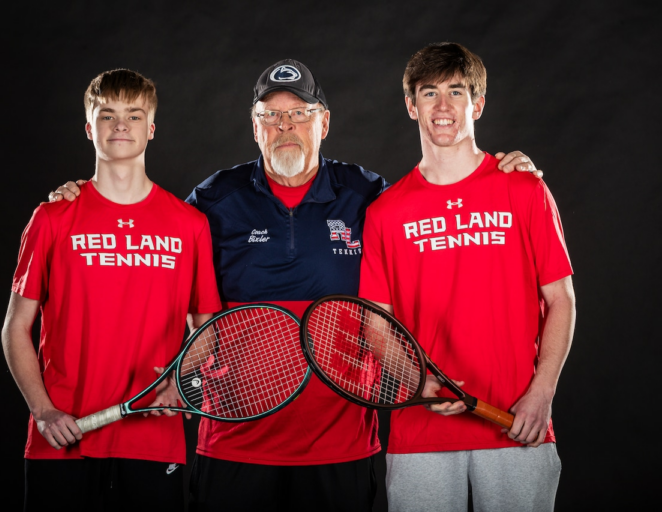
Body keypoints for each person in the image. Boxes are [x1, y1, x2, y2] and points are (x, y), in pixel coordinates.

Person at [49, 59, 541, 512]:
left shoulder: (370, 195)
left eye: (300, 114)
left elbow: (436, 199)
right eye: (271, 116)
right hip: (232, 443)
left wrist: (503, 170)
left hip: (342, 446)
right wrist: (83, 198)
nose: (286, 128)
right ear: (255, 127)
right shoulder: (212, 200)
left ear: (323, 123)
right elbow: (147, 238)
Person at [359, 43, 576, 512]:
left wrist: (542, 393)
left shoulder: (524, 187)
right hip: (421, 434)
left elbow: (562, 300)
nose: (442, 107)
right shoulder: (384, 213)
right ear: (410, 105)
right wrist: (419, 384)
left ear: (476, 104)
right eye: (429, 92)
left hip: (518, 423)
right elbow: (377, 326)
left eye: (456, 92)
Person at [1, 69, 222, 511]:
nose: (121, 125)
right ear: (89, 128)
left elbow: (207, 327)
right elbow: (15, 328)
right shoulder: (52, 218)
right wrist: (44, 411)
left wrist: (178, 382)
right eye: (108, 115)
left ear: (151, 129)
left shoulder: (189, 224)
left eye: (134, 115)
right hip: (63, 436)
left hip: (152, 441)